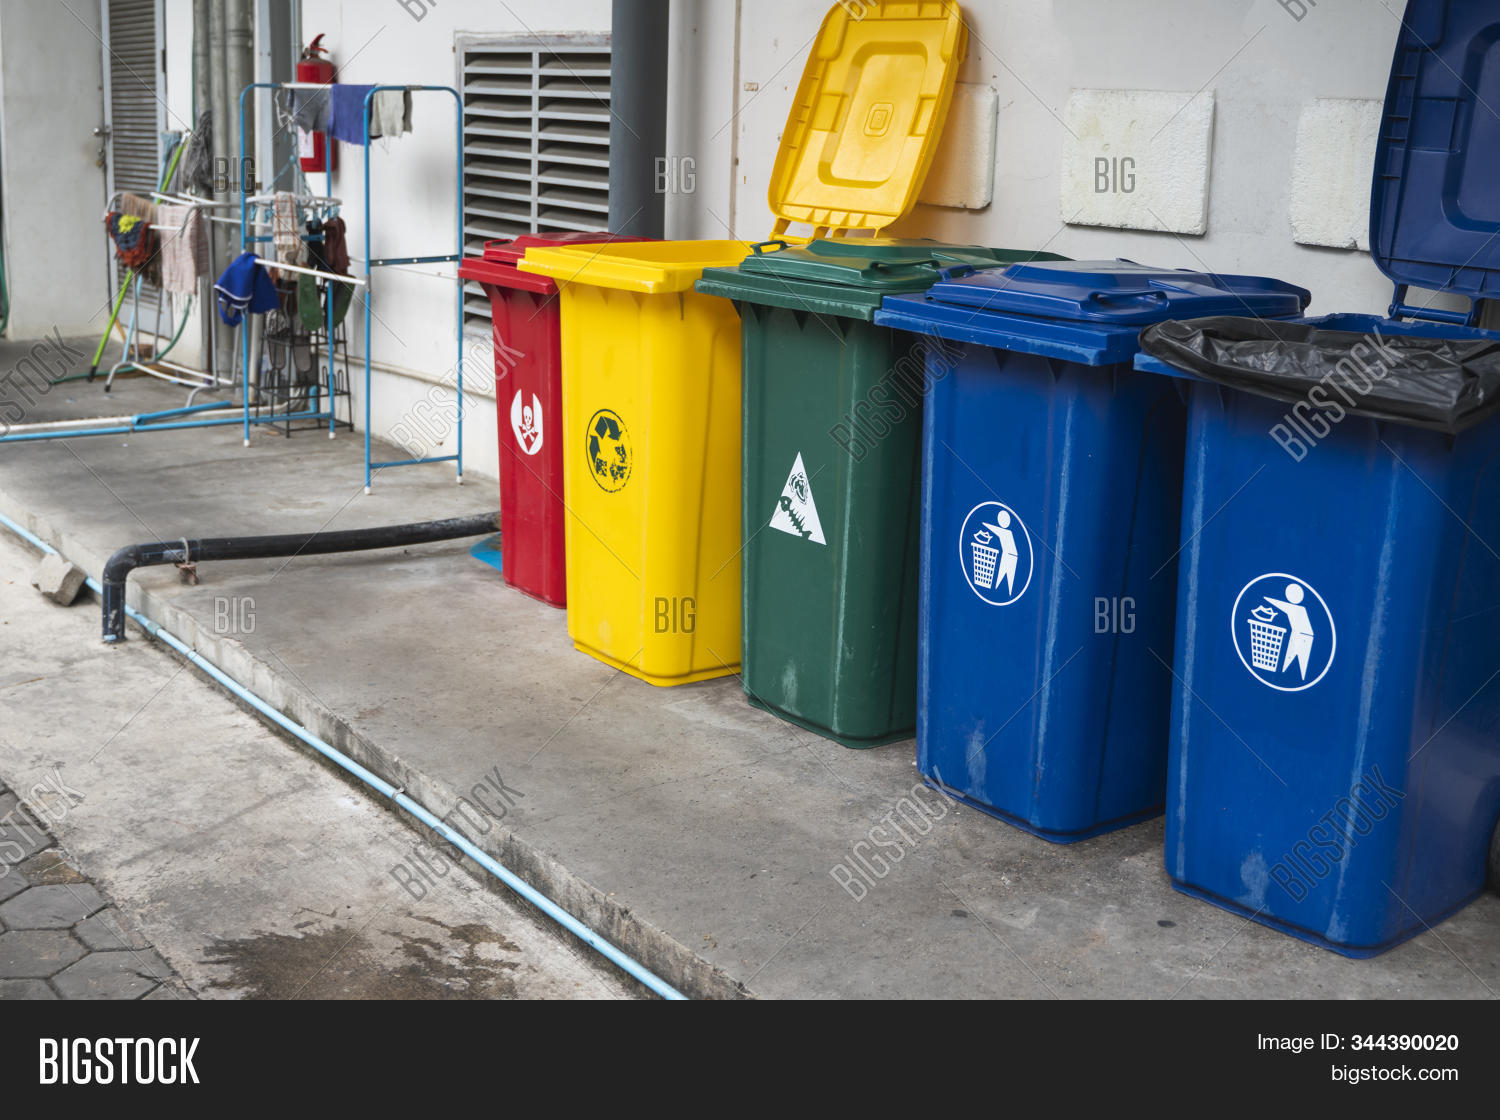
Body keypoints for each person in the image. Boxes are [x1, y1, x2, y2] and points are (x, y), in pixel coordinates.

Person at [1264, 582, 1314, 680]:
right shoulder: (1299, 609)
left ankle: (1297, 678)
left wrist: (1267, 599)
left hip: (1304, 637)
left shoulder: (1298, 609)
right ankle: (1286, 676)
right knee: (1288, 664)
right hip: (1298, 634)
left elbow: (1282, 605)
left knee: (1301, 665)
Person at [991, 510, 1020, 596]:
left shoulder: (1007, 532)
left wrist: (985, 524)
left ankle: (1002, 592)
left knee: (1006, 578)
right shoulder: (1008, 532)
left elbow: (995, 530)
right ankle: (1000, 592)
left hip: (1010, 556)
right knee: (1004, 579)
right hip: (1012, 555)